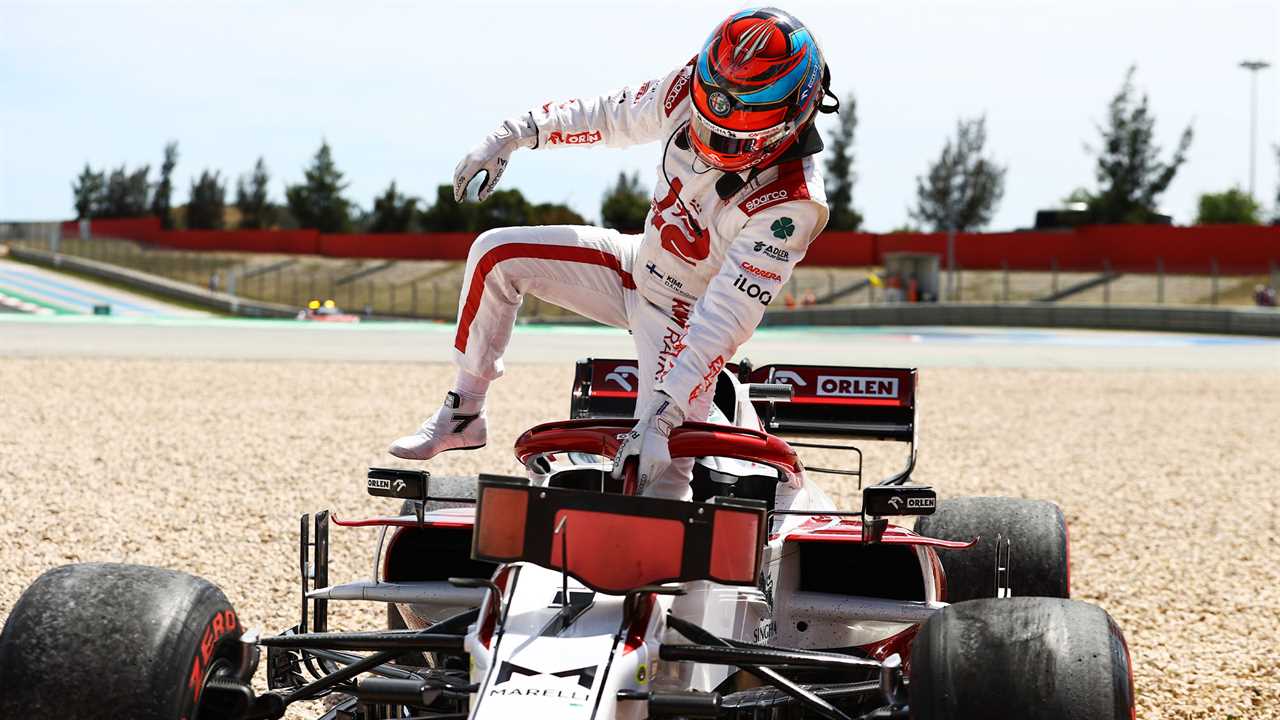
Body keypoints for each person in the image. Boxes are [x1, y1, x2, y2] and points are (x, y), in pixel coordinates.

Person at [389, 7, 834, 500]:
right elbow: (606, 115)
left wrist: (665, 413)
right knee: (496, 254)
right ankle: (465, 411)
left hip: (688, 321)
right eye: (713, 110)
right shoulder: (688, 86)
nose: (718, 129)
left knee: (655, 476)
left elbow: (728, 316)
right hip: (635, 265)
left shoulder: (793, 202)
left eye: (738, 120)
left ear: (796, 109)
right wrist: (512, 134)